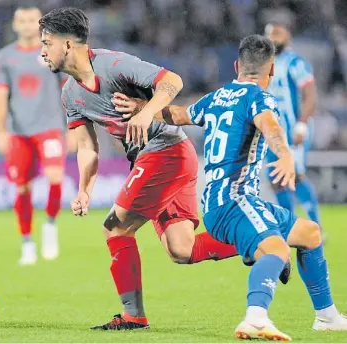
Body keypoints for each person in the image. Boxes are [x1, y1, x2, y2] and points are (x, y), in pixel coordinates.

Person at [115, 34, 347, 340]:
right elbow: (270, 126)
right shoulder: (260, 98)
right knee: (276, 249)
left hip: (224, 201)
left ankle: (327, 316)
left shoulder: (217, 97)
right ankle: (256, 317)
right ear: (272, 70)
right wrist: (286, 155)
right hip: (234, 201)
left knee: (309, 234)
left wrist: (144, 108)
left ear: (237, 65)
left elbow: (179, 114)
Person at [38, 6, 245, 330]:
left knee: (115, 227)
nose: (42, 50)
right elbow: (88, 146)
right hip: (161, 157)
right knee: (182, 249)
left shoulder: (114, 65)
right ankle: (261, 242)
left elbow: (172, 81)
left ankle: (133, 316)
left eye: (46, 42)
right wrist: (84, 190)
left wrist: (147, 112)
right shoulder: (71, 94)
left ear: (67, 45)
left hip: (166, 152)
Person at [0, 5, 68, 265]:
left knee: (55, 177)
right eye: (21, 20)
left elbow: (68, 90)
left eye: (31, 20)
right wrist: (0, 131)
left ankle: (50, 225)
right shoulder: (4, 57)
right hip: (19, 132)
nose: (26, 25)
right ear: (14, 24)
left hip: (50, 128)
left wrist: (75, 127)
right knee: (22, 187)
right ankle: (27, 243)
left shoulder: (53, 51)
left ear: (40, 23)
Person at [265, 20, 323, 234]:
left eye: (277, 33)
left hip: (292, 128)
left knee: (295, 176)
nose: (273, 37)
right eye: (270, 34)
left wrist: (301, 124)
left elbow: (310, 96)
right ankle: (288, 227)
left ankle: (315, 225)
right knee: (276, 178)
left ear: (288, 35)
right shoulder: (265, 63)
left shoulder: (295, 62)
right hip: (271, 131)